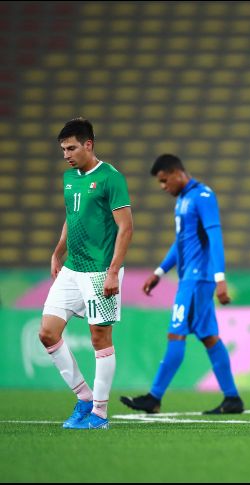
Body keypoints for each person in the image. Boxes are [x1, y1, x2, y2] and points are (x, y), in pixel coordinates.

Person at [120, 154, 243, 415]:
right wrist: (159, 271)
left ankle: (154, 397)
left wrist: (221, 278)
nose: (163, 187)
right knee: (209, 337)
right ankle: (232, 398)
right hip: (191, 279)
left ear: (177, 173)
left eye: (165, 181)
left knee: (176, 333)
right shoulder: (183, 201)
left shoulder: (202, 197)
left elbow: (215, 235)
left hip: (198, 280)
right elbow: (182, 243)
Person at [39, 118, 133, 429]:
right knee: (47, 333)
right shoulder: (69, 179)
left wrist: (113, 272)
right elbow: (72, 217)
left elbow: (126, 227)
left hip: (99, 271)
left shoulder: (110, 178)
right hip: (72, 268)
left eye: (71, 148)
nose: (66, 154)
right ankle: (84, 397)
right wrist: (57, 251)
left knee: (100, 338)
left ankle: (100, 415)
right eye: (63, 149)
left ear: (88, 144)